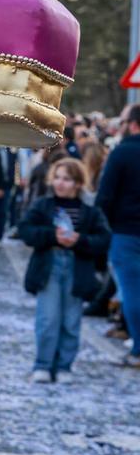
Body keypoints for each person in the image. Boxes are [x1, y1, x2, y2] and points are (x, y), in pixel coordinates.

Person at [20, 158, 111, 382]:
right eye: (58, 177)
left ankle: (64, 366)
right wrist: (52, 236)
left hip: (77, 266)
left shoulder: (90, 212)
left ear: (78, 183)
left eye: (67, 179)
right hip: (49, 264)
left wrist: (80, 240)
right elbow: (26, 231)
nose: (60, 183)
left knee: (71, 321)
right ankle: (42, 364)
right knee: (48, 319)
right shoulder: (43, 205)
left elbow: (103, 239)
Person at [96, 103, 140, 369]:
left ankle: (138, 350)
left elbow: (105, 196)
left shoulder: (122, 153)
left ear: (133, 124)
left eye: (123, 121)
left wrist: (104, 228)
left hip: (126, 233)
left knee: (132, 292)